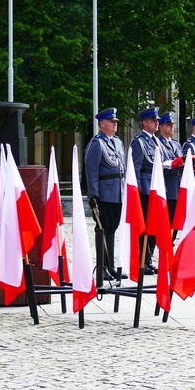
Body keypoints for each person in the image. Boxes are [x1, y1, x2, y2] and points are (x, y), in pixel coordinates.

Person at [85, 107, 126, 281]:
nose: (115, 124)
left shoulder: (117, 142)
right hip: (104, 193)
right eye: (111, 122)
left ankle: (110, 266)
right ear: (102, 124)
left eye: (115, 122)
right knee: (102, 228)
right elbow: (92, 170)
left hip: (118, 192)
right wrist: (93, 195)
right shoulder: (97, 143)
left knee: (112, 229)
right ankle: (101, 267)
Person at [129, 106, 162, 275]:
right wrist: (139, 193)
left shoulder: (157, 141)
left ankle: (149, 258)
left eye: (157, 120)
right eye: (153, 120)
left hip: (157, 190)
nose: (157, 123)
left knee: (154, 227)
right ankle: (142, 259)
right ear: (144, 122)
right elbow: (135, 170)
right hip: (145, 191)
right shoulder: (139, 142)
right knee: (145, 228)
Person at [156, 112, 183, 231]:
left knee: (175, 222)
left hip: (178, 187)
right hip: (167, 186)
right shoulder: (158, 143)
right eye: (169, 124)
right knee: (166, 221)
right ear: (161, 127)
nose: (172, 126)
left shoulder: (176, 144)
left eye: (172, 124)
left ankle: (171, 245)